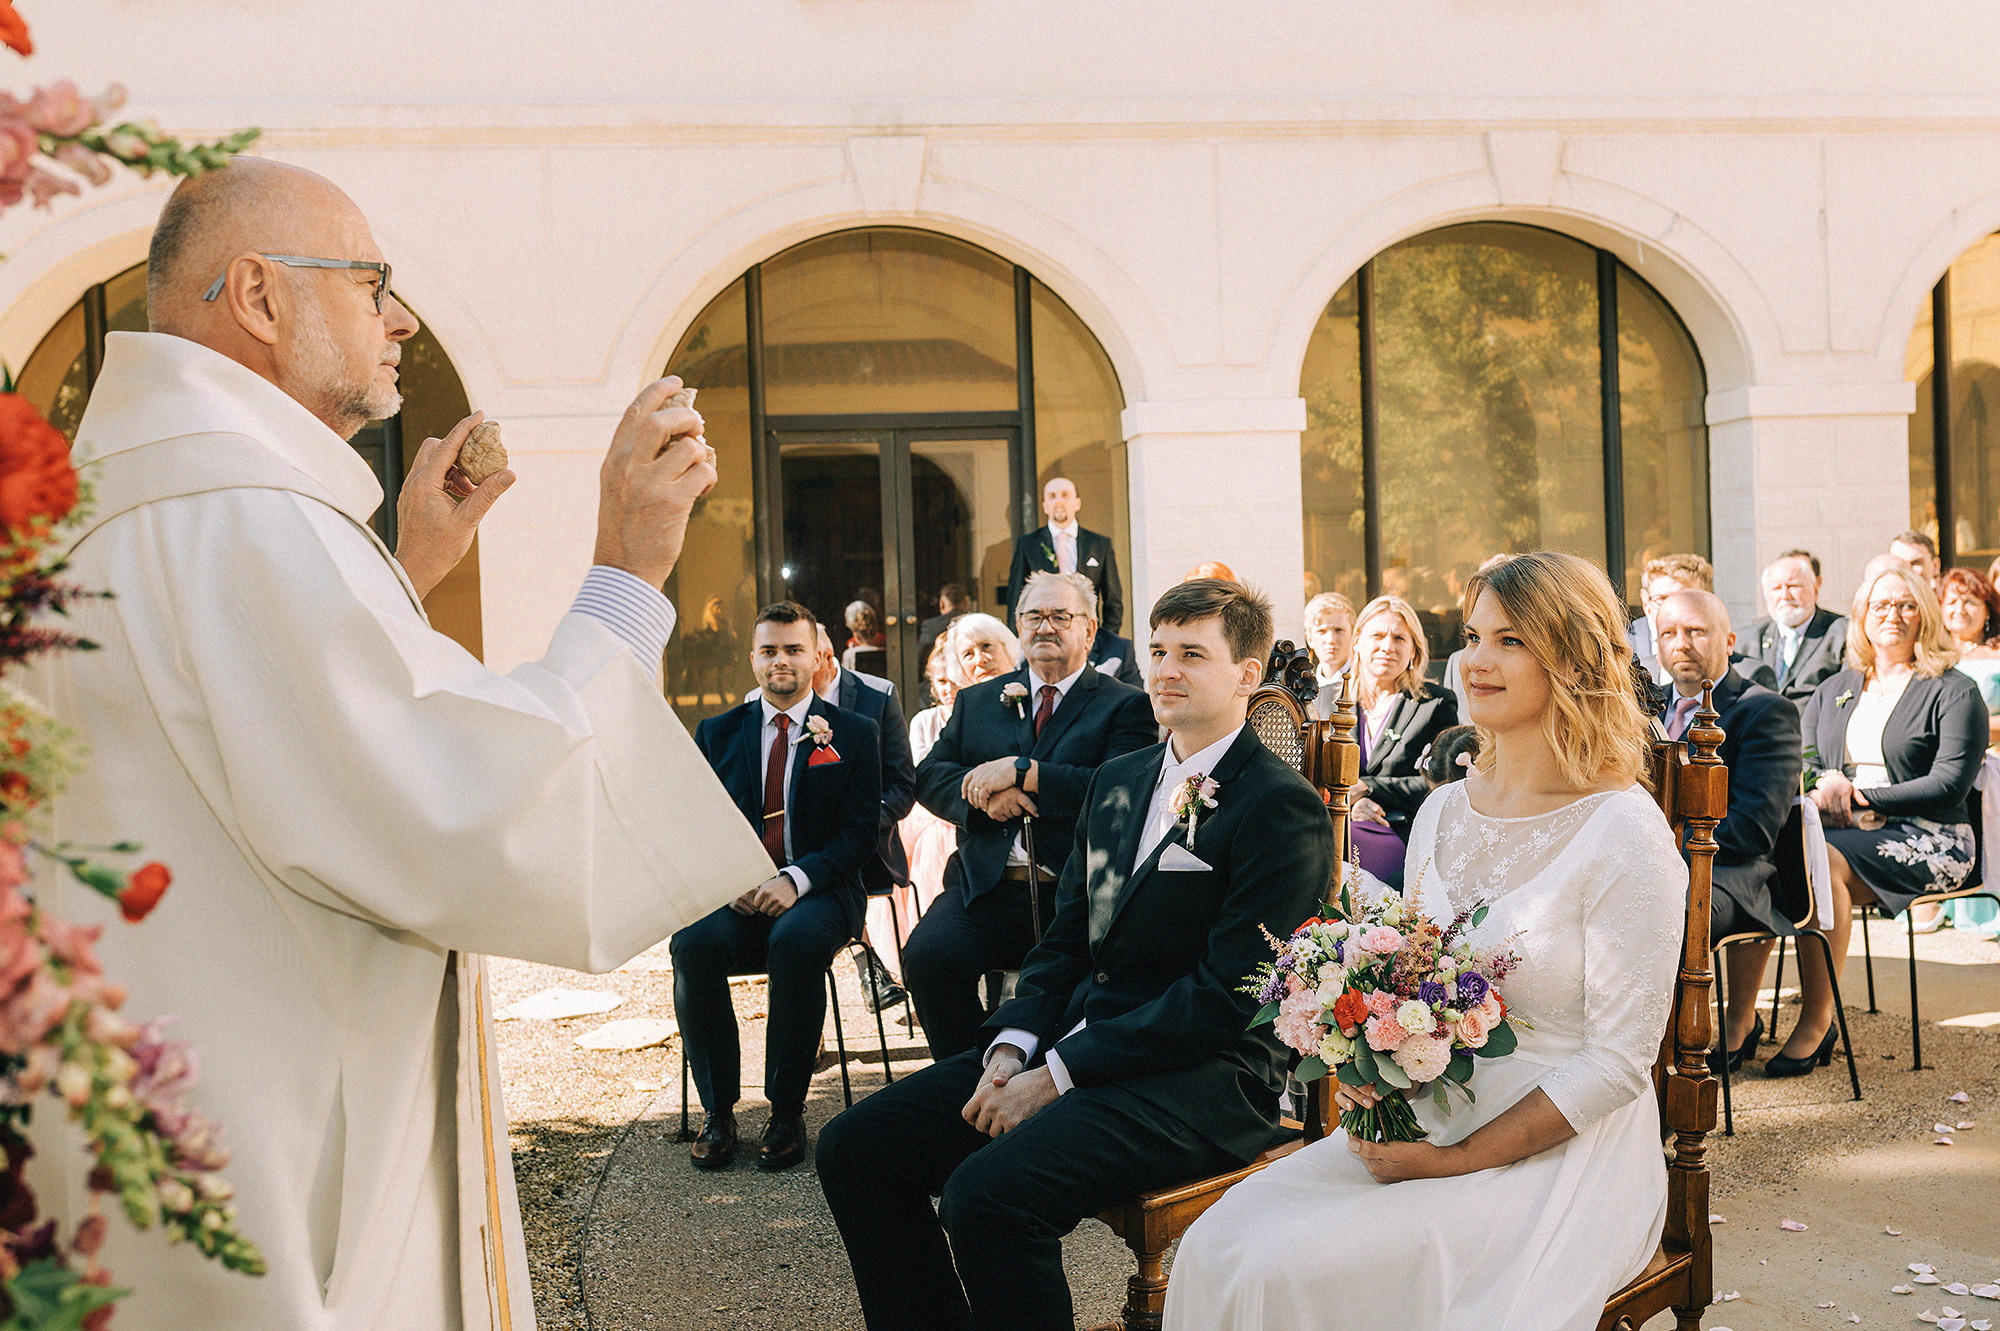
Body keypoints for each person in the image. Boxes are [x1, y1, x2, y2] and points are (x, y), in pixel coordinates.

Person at [30, 159, 776, 1330]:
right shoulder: (246, 519)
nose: (401, 317)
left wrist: (399, 573)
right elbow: (473, 813)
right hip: (272, 1175)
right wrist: (628, 569)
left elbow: (260, 732)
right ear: (260, 296)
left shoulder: (117, 507)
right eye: (371, 280)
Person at [1166, 551, 1687, 1331]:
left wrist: (1448, 1162)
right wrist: (1368, 1060)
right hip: (1427, 1115)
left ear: (1573, 659)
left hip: (1562, 1154)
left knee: (1288, 1271)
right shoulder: (1443, 808)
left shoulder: (1626, 830)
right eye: (1473, 636)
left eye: (1510, 640)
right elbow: (1408, 974)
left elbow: (1617, 1062)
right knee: (1217, 1244)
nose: (1476, 659)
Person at [818, 579, 1337, 1331]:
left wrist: (1055, 1076)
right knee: (855, 1147)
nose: (1165, 669)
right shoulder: (1121, 781)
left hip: (1204, 1079)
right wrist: (1009, 1047)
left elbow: (1226, 996)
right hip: (1076, 1044)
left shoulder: (1280, 807)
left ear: (1246, 674)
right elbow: (1064, 941)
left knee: (987, 1197)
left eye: (1193, 653)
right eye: (1158, 650)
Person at [903, 571, 1156, 1059]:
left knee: (1080, 992)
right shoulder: (978, 700)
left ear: (1090, 627)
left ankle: (1046, 1089)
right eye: (1033, 616)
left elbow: (1120, 791)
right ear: (1017, 626)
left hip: (1075, 897)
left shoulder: (1125, 705)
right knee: (928, 958)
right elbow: (930, 776)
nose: (1046, 627)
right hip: (987, 891)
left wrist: (1026, 771)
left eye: (1061, 616)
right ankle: (967, 1079)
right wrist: (984, 800)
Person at [673, 603, 883, 1172]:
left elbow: (861, 832)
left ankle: (786, 1111)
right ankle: (719, 1112)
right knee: (691, 944)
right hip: (736, 893)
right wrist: (732, 878)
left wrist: (796, 879)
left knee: (794, 943)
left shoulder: (855, 734)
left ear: (818, 657)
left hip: (822, 892)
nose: (781, 661)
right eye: (769, 650)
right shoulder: (716, 733)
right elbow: (695, 824)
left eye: (793, 649)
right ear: (753, 660)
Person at [1794, 557, 1985, 1074]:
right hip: (1842, 830)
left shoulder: (1953, 688)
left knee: (1822, 863)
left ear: (1924, 614)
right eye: (1880, 605)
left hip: (1935, 837)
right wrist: (1821, 787)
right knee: (1793, 857)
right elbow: (1809, 760)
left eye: (1906, 605)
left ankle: (1816, 1019)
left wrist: (1859, 797)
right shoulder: (1836, 688)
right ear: (1861, 616)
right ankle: (1747, 1017)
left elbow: (1950, 782)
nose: (1892, 615)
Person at [1651, 591, 1804, 1073]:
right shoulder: (1640, 712)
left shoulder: (1765, 711)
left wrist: (1659, 849)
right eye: (1669, 633)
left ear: (1730, 640)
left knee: (1653, 913)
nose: (1682, 644)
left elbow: (1752, 832)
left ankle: (1664, 1065)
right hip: (1659, 868)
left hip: (1733, 876)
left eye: (1696, 631)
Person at [1346, 594, 1459, 888]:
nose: (1387, 646)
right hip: (1334, 833)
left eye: (1399, 638)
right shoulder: (1329, 702)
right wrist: (1349, 804)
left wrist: (1368, 788)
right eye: (1378, 636)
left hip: (1400, 833)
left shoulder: (1434, 704)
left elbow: (1443, 781)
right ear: (1357, 641)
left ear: (1414, 650)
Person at [1006, 477, 1124, 633]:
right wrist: (1021, 641)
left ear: (1077, 503)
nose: (1059, 501)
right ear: (1045, 506)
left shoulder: (1100, 544)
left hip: (1087, 637)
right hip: (1043, 634)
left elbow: (1113, 601)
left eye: (1065, 495)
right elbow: (1016, 599)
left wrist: (1103, 641)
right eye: (1052, 496)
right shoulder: (1027, 545)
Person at [1746, 549, 1849, 702]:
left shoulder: (1842, 633)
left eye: (1793, 586)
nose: (1785, 596)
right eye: (1776, 588)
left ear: (1815, 589)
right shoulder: (1747, 640)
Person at [1629, 552, 1713, 683]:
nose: (1672, 607)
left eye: (1683, 598)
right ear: (1646, 605)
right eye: (1661, 599)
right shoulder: (1621, 646)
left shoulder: (1721, 650)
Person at [1302, 590, 1354, 717]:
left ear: (1353, 634)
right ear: (1309, 639)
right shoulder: (1301, 688)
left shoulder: (1364, 683)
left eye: (1339, 630)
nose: (1331, 640)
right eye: (1322, 631)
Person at [917, 582, 973, 682]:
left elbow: (919, 658)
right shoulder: (975, 623)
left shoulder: (930, 626)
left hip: (940, 680)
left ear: (941, 604)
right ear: (966, 602)